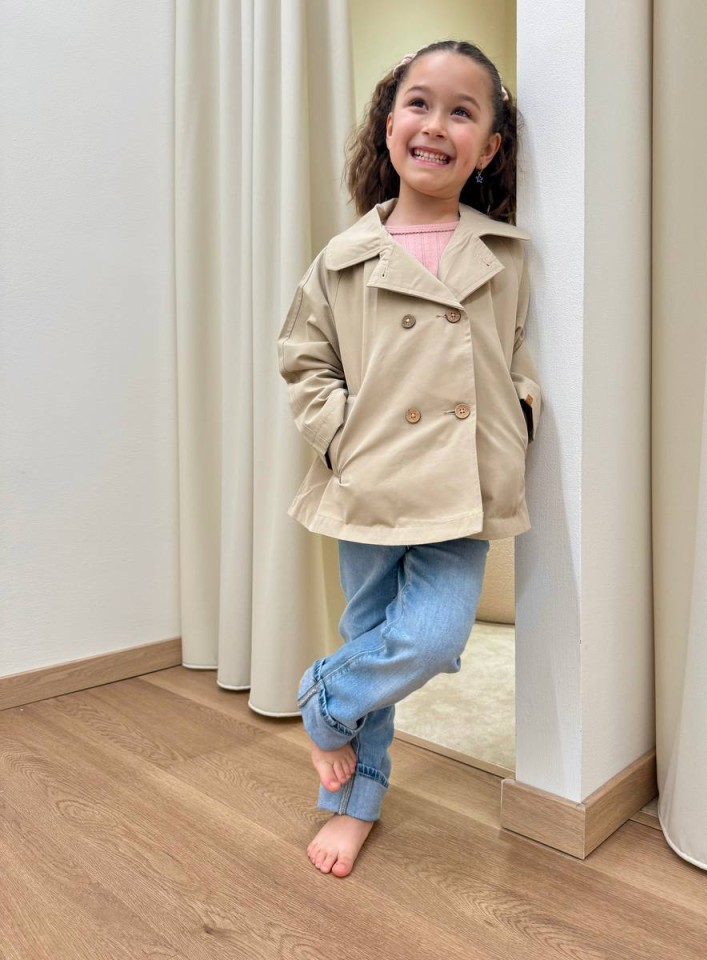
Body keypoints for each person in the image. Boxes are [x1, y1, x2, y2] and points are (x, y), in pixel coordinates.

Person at [277, 39, 542, 878]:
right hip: (371, 481)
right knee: (371, 633)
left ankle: (324, 698)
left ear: (488, 148)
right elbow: (303, 360)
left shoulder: (506, 255)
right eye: (419, 103)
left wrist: (519, 419)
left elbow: (522, 357)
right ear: (388, 124)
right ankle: (353, 803)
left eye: (462, 112)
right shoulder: (343, 257)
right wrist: (342, 434)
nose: (435, 125)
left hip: (459, 485)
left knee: (428, 639)